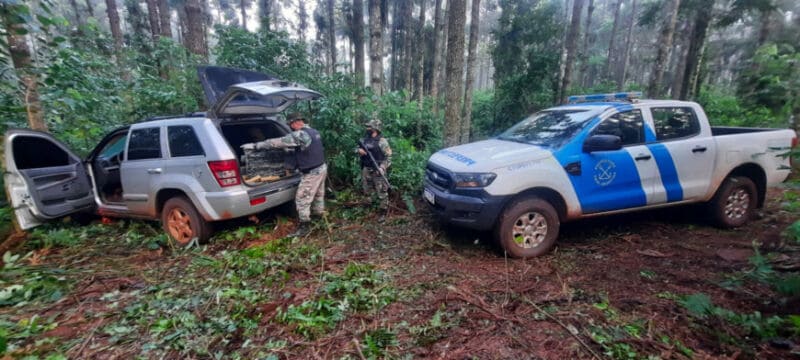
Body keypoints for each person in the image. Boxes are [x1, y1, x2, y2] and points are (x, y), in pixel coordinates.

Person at [241, 112, 326, 237]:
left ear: (295, 123)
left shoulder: (301, 134)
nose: (291, 128)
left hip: (312, 173)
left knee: (302, 199)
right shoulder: (314, 131)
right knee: (318, 195)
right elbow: (304, 148)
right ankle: (319, 218)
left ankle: (304, 227)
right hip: (321, 168)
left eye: (291, 125)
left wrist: (256, 145)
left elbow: (278, 142)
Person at [357, 119, 392, 217]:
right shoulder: (365, 140)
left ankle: (383, 212)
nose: (367, 129)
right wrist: (359, 150)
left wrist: (382, 167)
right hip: (366, 168)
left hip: (378, 170)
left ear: (375, 129)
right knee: (366, 189)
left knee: (382, 192)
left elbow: (388, 157)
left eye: (369, 127)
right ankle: (369, 207)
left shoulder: (382, 142)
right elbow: (356, 148)